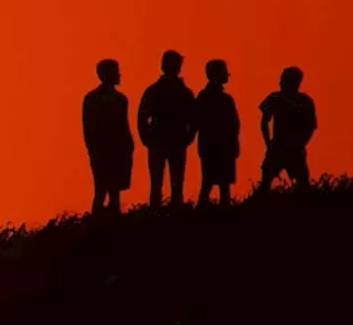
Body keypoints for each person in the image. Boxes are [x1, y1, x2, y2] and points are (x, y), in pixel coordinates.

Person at [137, 49, 196, 207]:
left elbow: (193, 118)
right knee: (168, 184)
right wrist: (147, 138)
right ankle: (167, 212)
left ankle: (160, 213)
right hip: (166, 140)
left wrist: (147, 138)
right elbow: (142, 118)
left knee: (164, 183)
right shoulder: (182, 92)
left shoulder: (156, 90)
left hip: (168, 140)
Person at [82, 58, 134, 214]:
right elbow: (89, 129)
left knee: (114, 191)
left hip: (118, 150)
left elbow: (124, 126)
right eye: (115, 71)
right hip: (103, 151)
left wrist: (129, 146)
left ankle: (113, 221)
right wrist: (94, 150)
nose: (119, 75)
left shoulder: (120, 99)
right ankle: (98, 223)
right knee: (101, 190)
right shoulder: (93, 99)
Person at [257, 66, 317, 193]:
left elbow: (311, 126)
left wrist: (300, 143)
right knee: (265, 183)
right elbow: (264, 122)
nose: (280, 82)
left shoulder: (303, 101)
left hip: (292, 148)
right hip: (279, 147)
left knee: (302, 184)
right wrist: (269, 143)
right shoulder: (276, 98)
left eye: (283, 79)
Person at [194, 59, 240, 206]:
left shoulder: (207, 97)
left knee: (215, 183)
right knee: (215, 183)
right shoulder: (217, 98)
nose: (227, 75)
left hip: (215, 146)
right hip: (216, 146)